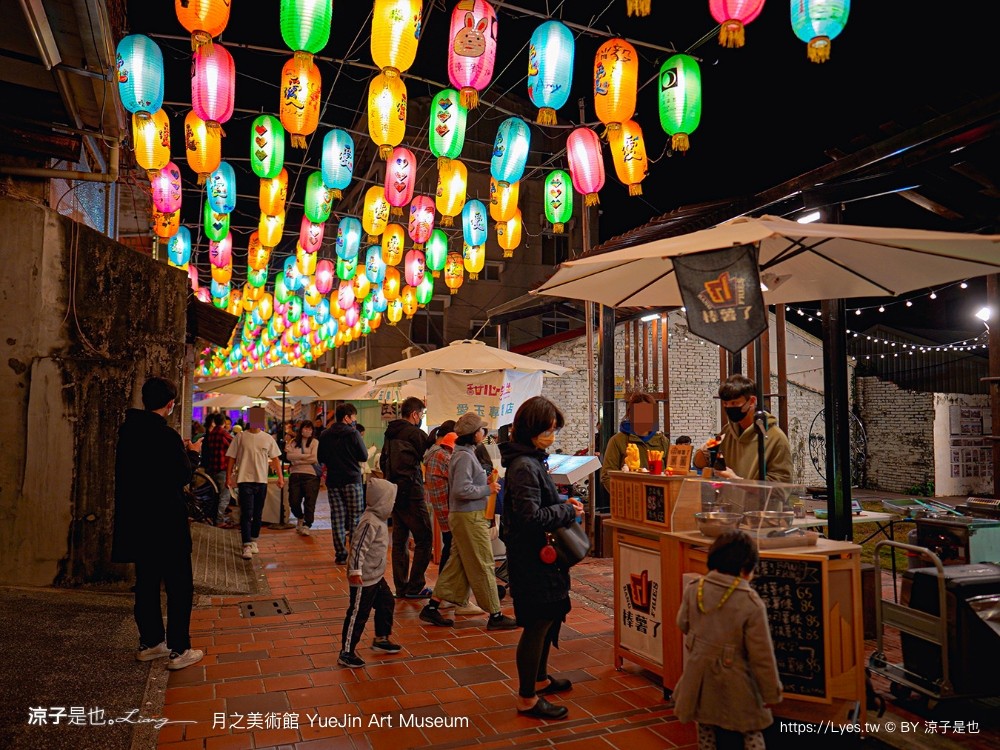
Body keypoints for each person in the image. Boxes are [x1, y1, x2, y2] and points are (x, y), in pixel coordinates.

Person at [499, 396, 583, 720]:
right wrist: (565, 509)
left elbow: (536, 501)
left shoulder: (531, 460)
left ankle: (541, 678)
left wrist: (563, 501)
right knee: (537, 624)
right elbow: (530, 516)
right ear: (533, 430)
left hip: (542, 557)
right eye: (549, 430)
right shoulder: (523, 465)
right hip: (533, 559)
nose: (552, 435)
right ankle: (527, 698)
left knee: (548, 619)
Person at [112, 376, 204, 670]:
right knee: (179, 585)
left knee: (147, 582)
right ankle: (179, 649)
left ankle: (151, 642)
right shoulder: (166, 436)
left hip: (137, 520)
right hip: (166, 521)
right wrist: (192, 454)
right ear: (170, 404)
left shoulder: (128, 431)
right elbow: (181, 476)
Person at [672, 530, 782, 749]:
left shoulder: (696, 589)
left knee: (705, 729)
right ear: (746, 568)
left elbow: (682, 623)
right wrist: (771, 691)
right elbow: (762, 655)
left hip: (699, 676)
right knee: (750, 731)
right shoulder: (750, 603)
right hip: (736, 680)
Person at [420, 414, 517, 631]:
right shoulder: (464, 456)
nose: (484, 432)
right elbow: (461, 490)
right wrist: (487, 489)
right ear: (474, 434)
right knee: (483, 562)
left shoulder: (464, 453)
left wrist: (485, 481)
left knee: (458, 565)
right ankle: (496, 614)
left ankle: (433, 608)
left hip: (465, 516)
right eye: (482, 430)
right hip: (469, 517)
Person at [338, 477, 402, 668]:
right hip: (363, 579)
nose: (393, 504)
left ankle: (381, 638)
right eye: (391, 500)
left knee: (387, 602)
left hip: (376, 576)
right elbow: (357, 548)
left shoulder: (379, 520)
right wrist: (355, 571)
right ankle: (346, 652)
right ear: (382, 501)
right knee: (358, 614)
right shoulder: (369, 522)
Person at [380, 396, 434, 598]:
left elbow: (382, 461)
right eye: (421, 414)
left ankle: (401, 587)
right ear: (414, 414)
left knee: (400, 540)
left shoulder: (390, 433)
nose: (421, 417)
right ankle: (415, 586)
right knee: (424, 538)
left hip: (394, 492)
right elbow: (429, 458)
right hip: (411, 492)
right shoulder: (415, 434)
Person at [693, 375, 792, 482]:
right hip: (729, 498)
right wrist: (705, 453)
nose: (729, 408)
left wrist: (737, 481)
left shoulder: (775, 438)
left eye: (734, 403)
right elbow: (703, 463)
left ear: (752, 401)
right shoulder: (727, 432)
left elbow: (781, 485)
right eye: (725, 404)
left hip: (758, 499)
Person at [226, 406, 283, 560]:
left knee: (258, 514)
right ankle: (246, 544)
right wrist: (228, 477)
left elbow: (276, 459)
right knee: (247, 513)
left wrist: (280, 478)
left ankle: (254, 540)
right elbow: (231, 457)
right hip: (244, 480)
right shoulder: (240, 437)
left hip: (261, 481)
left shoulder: (268, 438)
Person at [319, 403, 369, 564]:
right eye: (354, 417)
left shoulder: (325, 434)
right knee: (355, 518)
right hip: (352, 480)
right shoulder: (353, 434)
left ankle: (340, 554)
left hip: (333, 481)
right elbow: (364, 456)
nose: (355, 420)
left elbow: (321, 457)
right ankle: (354, 553)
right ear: (347, 417)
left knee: (338, 518)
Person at [600, 392, 671, 493]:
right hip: (629, 501)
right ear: (630, 414)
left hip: (658, 501)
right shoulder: (618, 441)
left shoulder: (662, 441)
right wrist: (624, 496)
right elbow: (607, 476)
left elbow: (671, 471)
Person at [423, 421, 457, 574]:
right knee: (451, 549)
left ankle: (443, 589)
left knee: (450, 548)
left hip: (442, 511)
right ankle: (442, 589)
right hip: (448, 511)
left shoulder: (432, 452)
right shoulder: (442, 455)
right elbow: (460, 478)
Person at [286, 420, 320, 536]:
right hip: (295, 475)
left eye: (310, 429)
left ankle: (307, 524)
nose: (308, 431)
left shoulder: (315, 442)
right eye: (306, 428)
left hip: (311, 475)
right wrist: (305, 456)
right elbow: (289, 456)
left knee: (310, 502)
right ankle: (300, 517)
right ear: (301, 430)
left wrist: (297, 460)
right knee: (293, 501)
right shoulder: (294, 442)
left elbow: (314, 458)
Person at [201, 413, 234, 527]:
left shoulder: (211, 434)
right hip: (221, 468)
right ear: (224, 422)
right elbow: (234, 445)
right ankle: (219, 520)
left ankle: (214, 517)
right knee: (225, 496)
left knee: (215, 495)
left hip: (211, 468)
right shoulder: (223, 434)